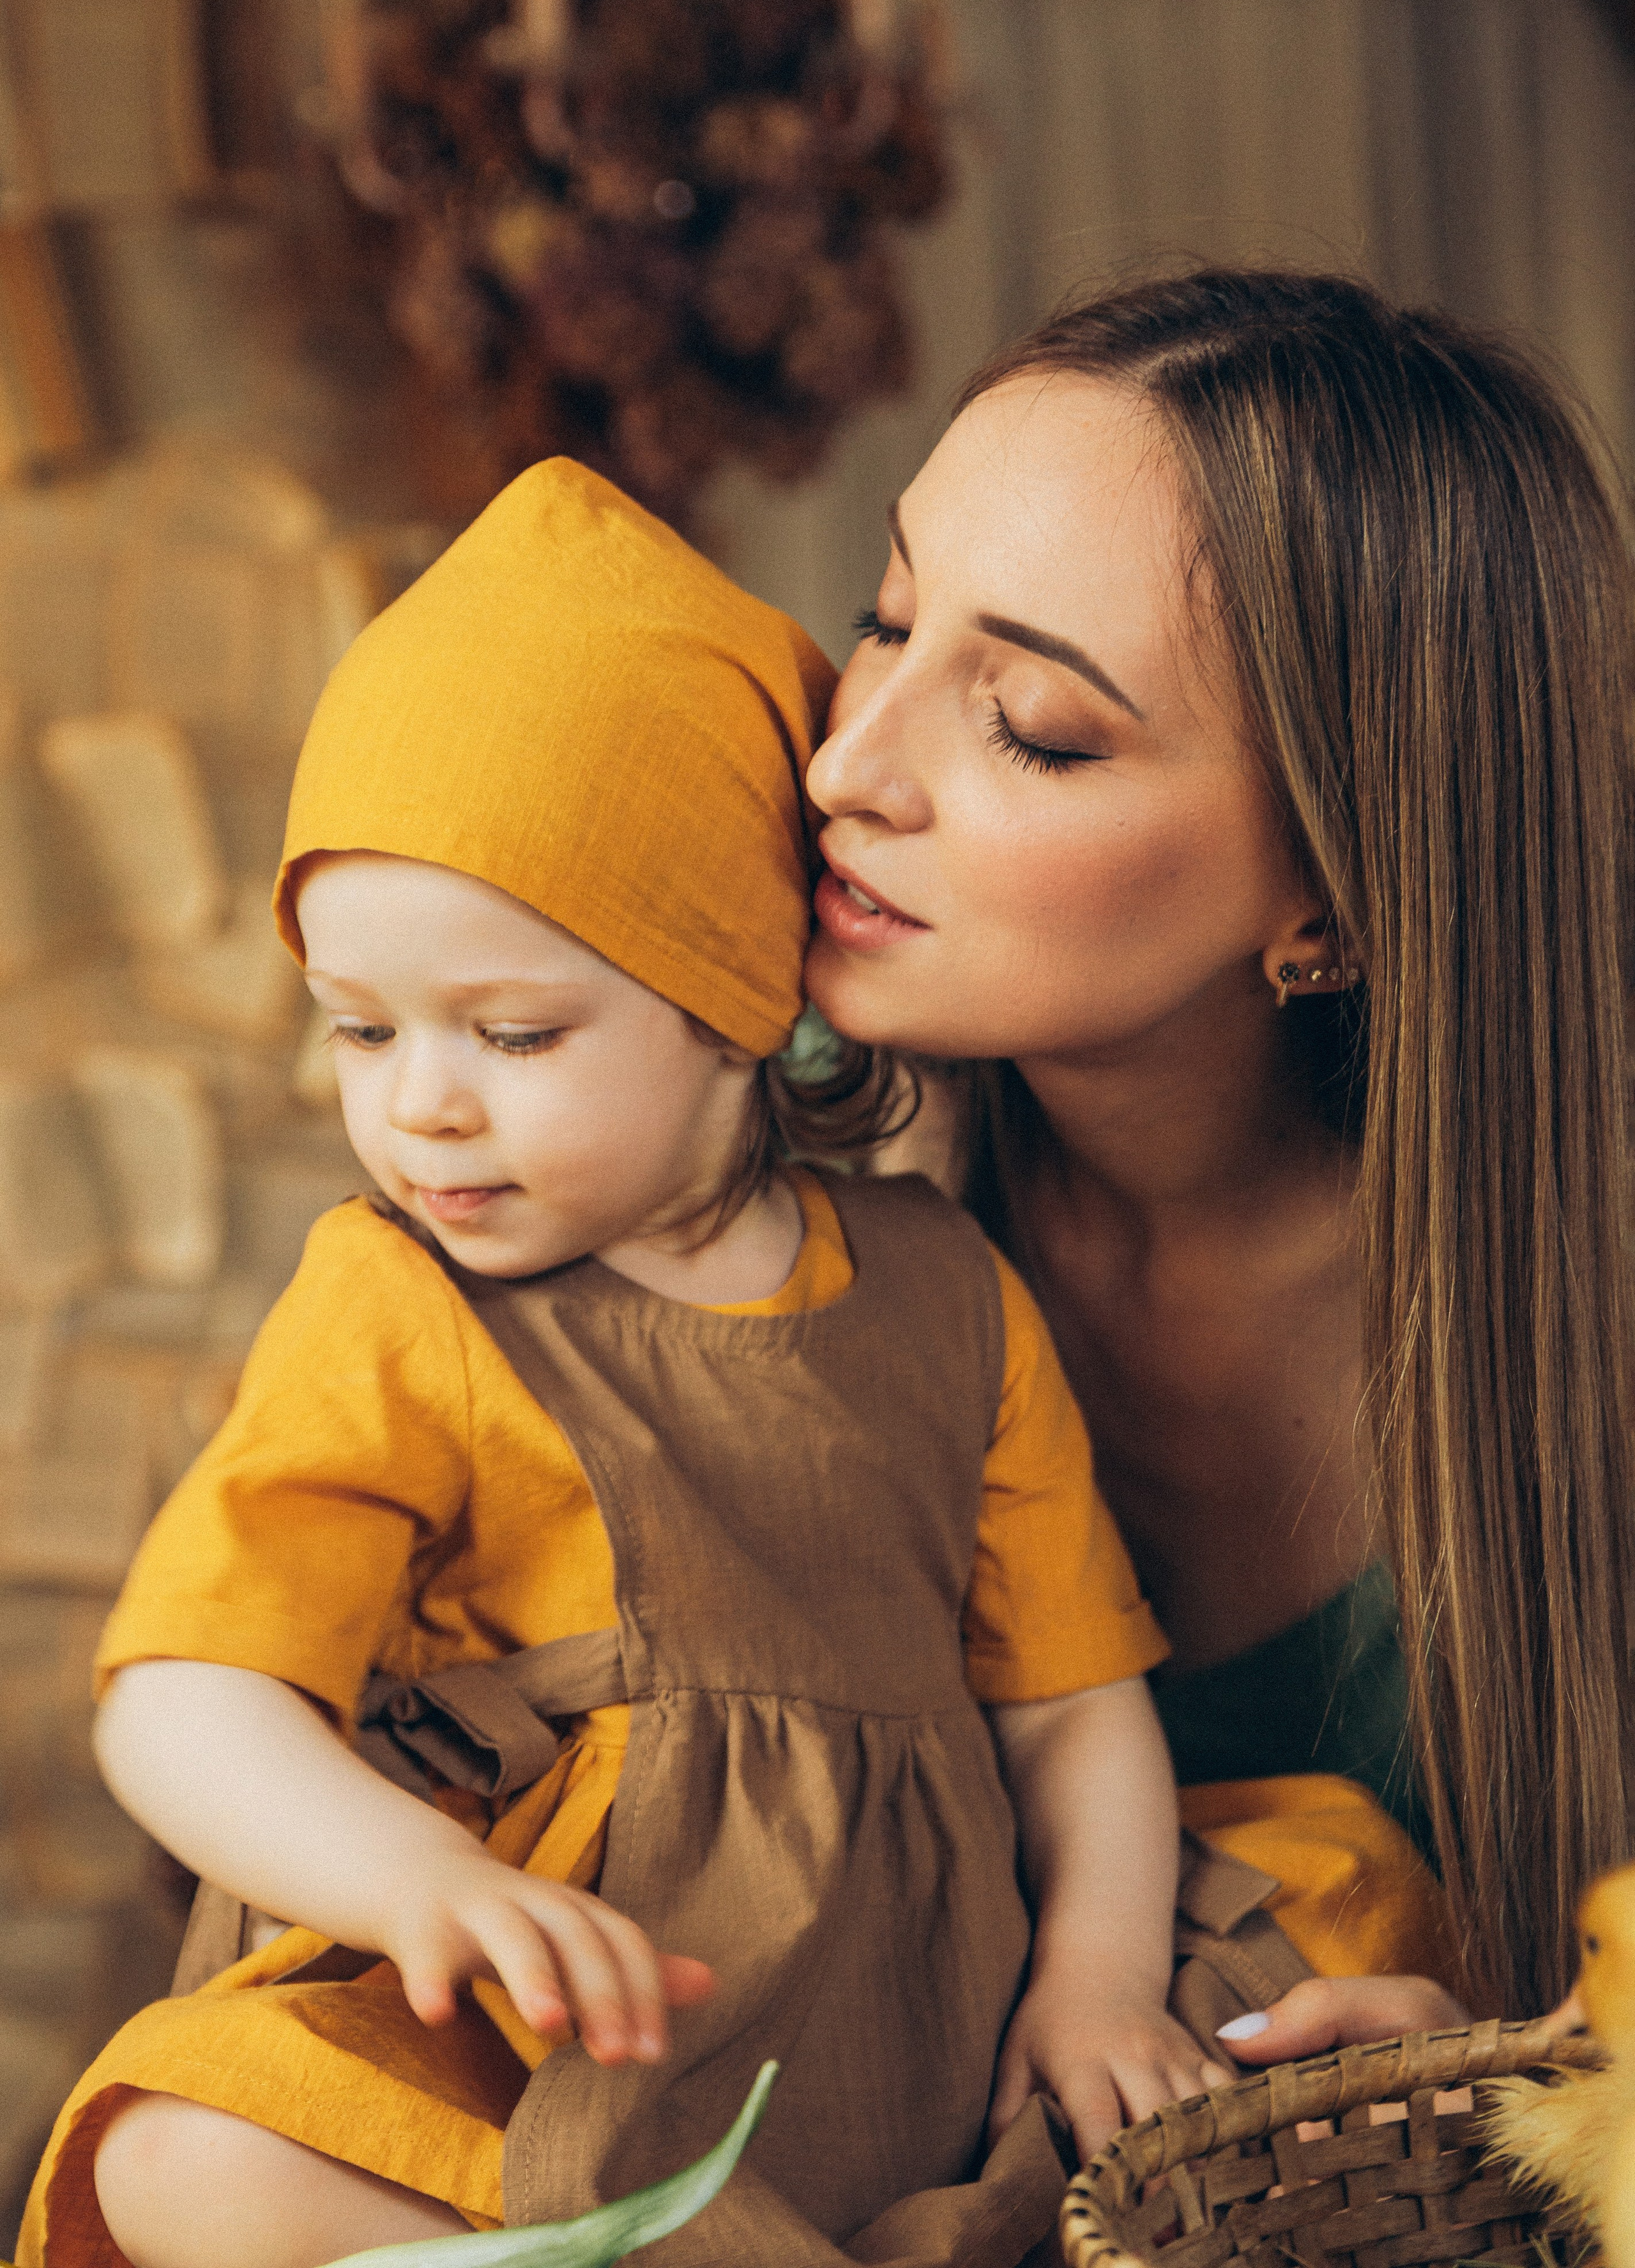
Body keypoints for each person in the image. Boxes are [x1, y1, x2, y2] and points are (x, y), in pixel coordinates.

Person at [21, 458, 1211, 2268]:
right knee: (179, 2160)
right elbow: (181, 1694)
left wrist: (1102, 1984)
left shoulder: (949, 1299)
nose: (419, 1101)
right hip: (538, 2052)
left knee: (1330, 1953)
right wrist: (415, 1879)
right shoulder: (402, 1304)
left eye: (514, 1031)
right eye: (358, 1026)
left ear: (738, 1005)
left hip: (898, 2033)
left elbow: (1074, 1710)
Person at [803, 266, 1635, 2053]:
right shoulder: (743, 1134)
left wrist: (1527, 2087)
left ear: (1328, 904)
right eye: (885, 620)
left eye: (1033, 723)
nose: (850, 764)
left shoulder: (1595, 1318)